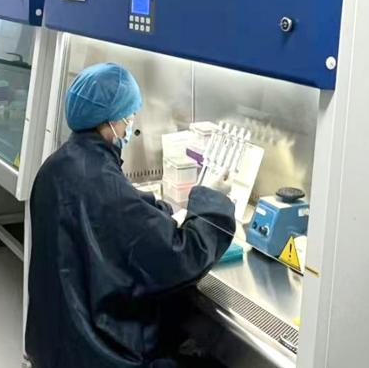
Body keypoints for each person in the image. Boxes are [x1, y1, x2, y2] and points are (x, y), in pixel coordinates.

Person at [27, 62, 236, 368]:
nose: (130, 125)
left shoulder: (56, 166)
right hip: (99, 356)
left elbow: (112, 214)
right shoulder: (104, 185)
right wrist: (213, 201)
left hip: (54, 344)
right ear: (112, 120)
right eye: (129, 116)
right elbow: (181, 257)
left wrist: (157, 210)